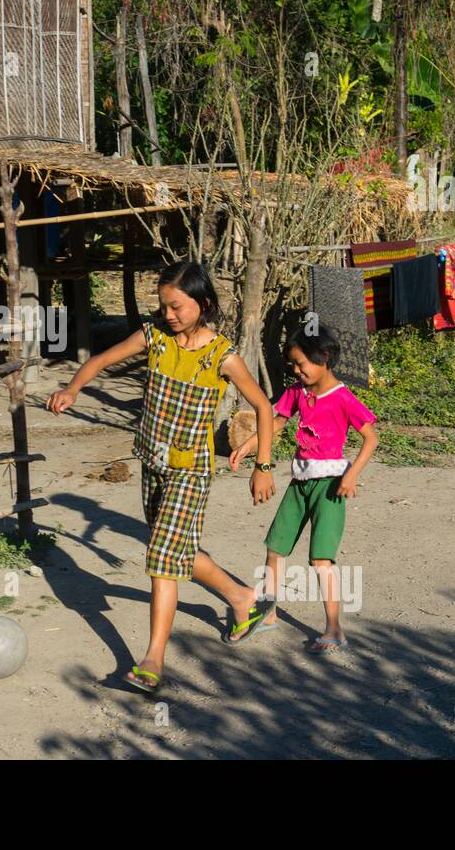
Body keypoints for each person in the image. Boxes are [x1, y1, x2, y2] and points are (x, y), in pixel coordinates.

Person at [46, 261, 277, 693]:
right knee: (175, 552)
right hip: (153, 464)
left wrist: (262, 466)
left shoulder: (221, 357)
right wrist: (73, 388)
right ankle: (245, 599)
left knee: (160, 560)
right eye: (163, 306)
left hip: (191, 470)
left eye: (176, 306)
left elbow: (264, 408)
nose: (168, 314)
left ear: (202, 303)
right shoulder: (154, 338)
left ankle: (151, 661)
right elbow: (99, 359)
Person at [230, 324, 378, 654]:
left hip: (330, 487)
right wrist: (248, 446)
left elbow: (371, 438)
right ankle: (267, 614)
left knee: (321, 561)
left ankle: (334, 629)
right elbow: (276, 422)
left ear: (324, 357)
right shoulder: (298, 392)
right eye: (293, 365)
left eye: (301, 364)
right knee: (274, 549)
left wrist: (351, 474)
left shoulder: (343, 398)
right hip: (299, 483)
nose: (297, 371)